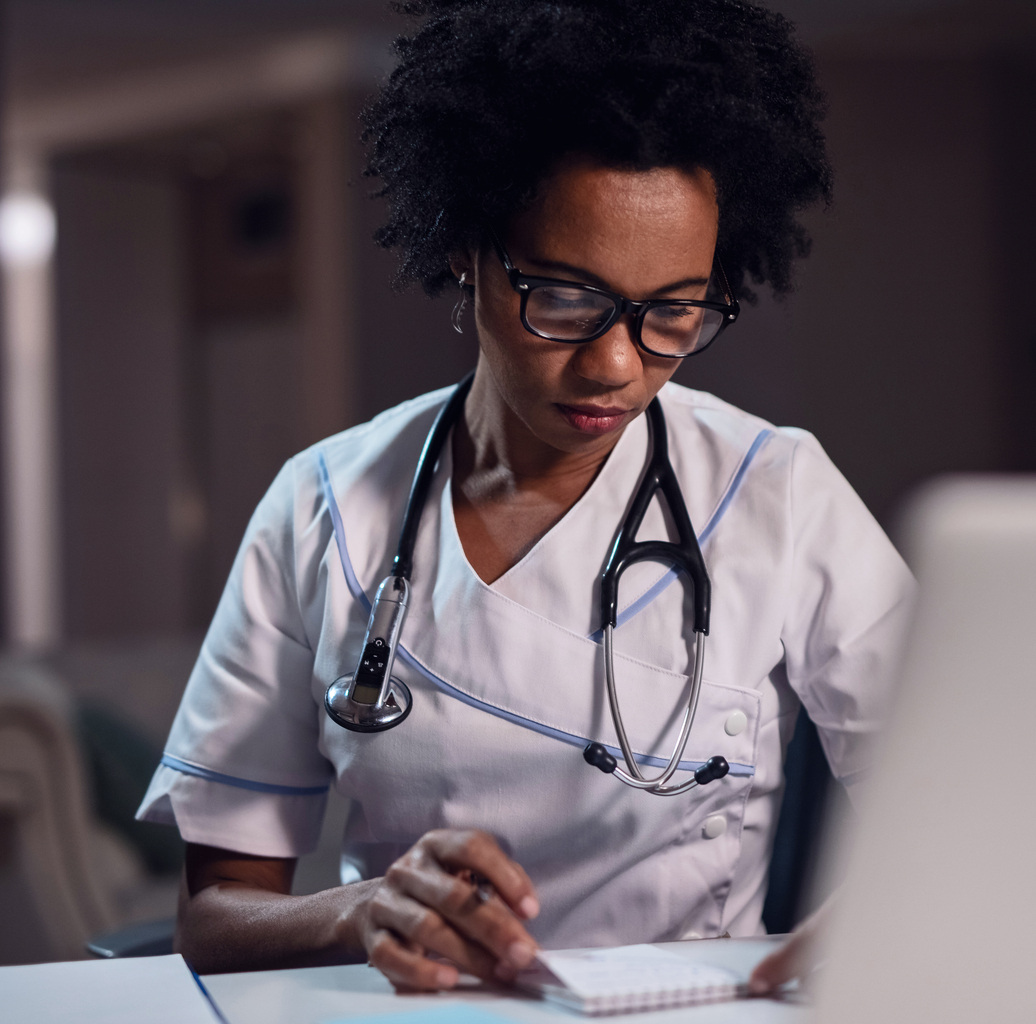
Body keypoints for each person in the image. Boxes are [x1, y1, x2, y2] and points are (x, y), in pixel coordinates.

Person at [136, 0, 914, 995]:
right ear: (467, 252)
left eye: (673, 313)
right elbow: (213, 915)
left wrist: (881, 911)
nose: (617, 364)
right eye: (565, 297)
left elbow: (963, 786)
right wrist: (363, 908)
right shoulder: (323, 506)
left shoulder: (777, 489)